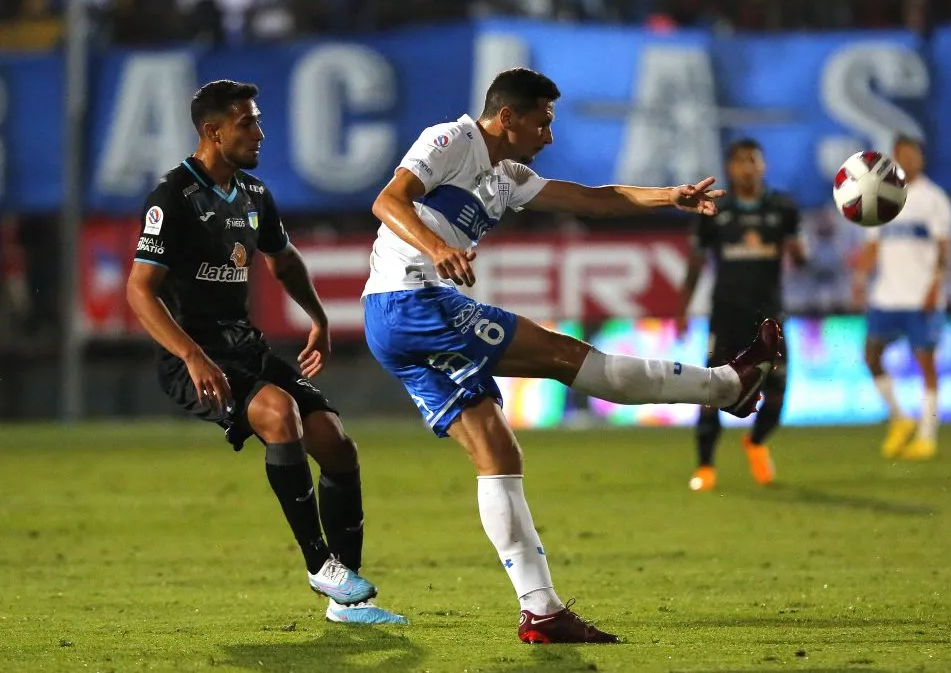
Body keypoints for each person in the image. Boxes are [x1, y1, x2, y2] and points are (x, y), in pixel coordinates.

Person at [362, 67, 782, 644]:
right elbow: (388, 200)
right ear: (506, 117)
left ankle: (541, 611)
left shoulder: (505, 176)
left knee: (497, 451)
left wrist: (670, 196)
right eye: (543, 121)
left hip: (397, 319)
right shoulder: (450, 140)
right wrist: (438, 247)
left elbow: (594, 200)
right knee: (567, 357)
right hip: (413, 301)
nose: (550, 136)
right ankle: (725, 386)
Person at [125, 80, 405, 625]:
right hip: (195, 357)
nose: (259, 133)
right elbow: (140, 288)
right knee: (279, 414)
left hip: (244, 346)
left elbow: (285, 259)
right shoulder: (172, 197)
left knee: (336, 444)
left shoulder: (253, 196)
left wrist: (319, 318)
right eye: (247, 123)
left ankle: (344, 601)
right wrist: (191, 355)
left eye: (256, 121)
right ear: (213, 131)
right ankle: (319, 563)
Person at [677, 138, 807, 492]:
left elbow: (801, 259)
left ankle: (756, 441)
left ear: (763, 166)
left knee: (777, 393)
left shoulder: (782, 208)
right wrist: (682, 308)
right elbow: (696, 262)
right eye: (739, 161)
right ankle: (705, 467)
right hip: (726, 316)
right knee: (711, 390)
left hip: (770, 317)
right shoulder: (717, 211)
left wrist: (798, 250)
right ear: (730, 169)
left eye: (753, 160)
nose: (747, 166)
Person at [853, 134, 951, 460]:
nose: (907, 160)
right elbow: (874, 245)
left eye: (912, 154)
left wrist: (935, 286)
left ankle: (927, 435)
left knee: (926, 363)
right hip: (887, 296)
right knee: (871, 356)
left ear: (920, 158)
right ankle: (899, 417)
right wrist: (859, 276)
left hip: (921, 296)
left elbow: (943, 248)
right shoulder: (881, 197)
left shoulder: (933, 198)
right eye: (901, 155)